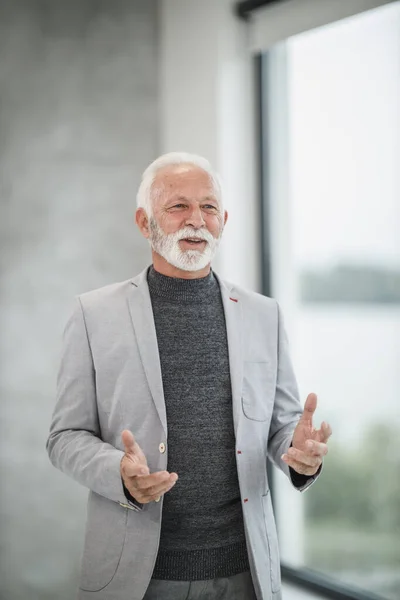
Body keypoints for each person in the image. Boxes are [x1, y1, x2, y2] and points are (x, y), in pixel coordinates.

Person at [47, 152, 332, 600]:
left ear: (224, 220)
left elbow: (281, 428)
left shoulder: (264, 315)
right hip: (138, 575)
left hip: (246, 573)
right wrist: (118, 472)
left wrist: (298, 455)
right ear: (145, 222)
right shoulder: (93, 314)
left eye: (209, 207)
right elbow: (65, 436)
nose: (196, 220)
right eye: (178, 206)